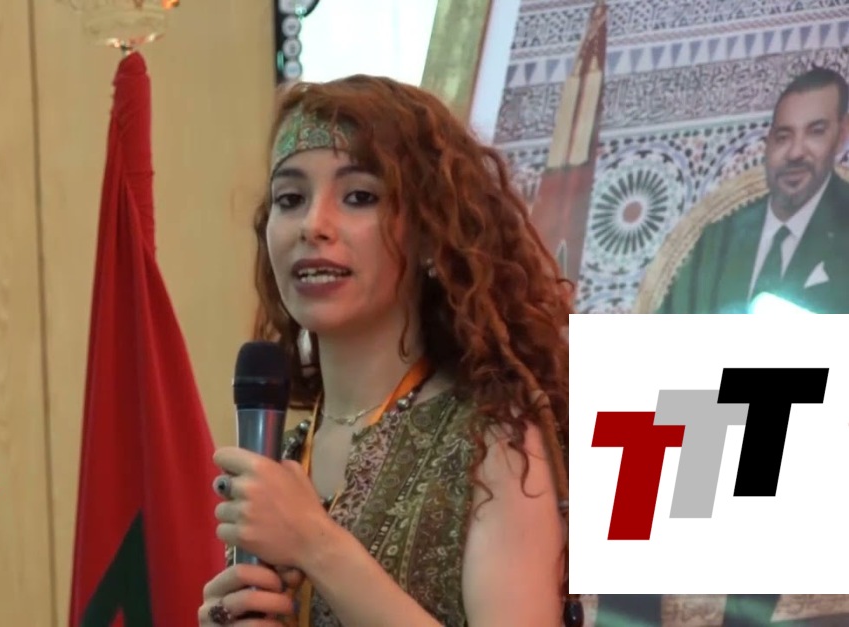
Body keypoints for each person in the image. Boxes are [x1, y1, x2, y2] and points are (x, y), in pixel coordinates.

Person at [197, 75, 575, 626]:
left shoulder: (491, 439)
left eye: (360, 197)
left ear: (430, 236)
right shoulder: (287, 456)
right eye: (290, 199)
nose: (313, 225)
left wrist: (316, 544)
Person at [657, 66, 849, 314]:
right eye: (783, 136)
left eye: (816, 133)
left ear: (841, 136)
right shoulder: (717, 241)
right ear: (767, 144)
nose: (795, 152)